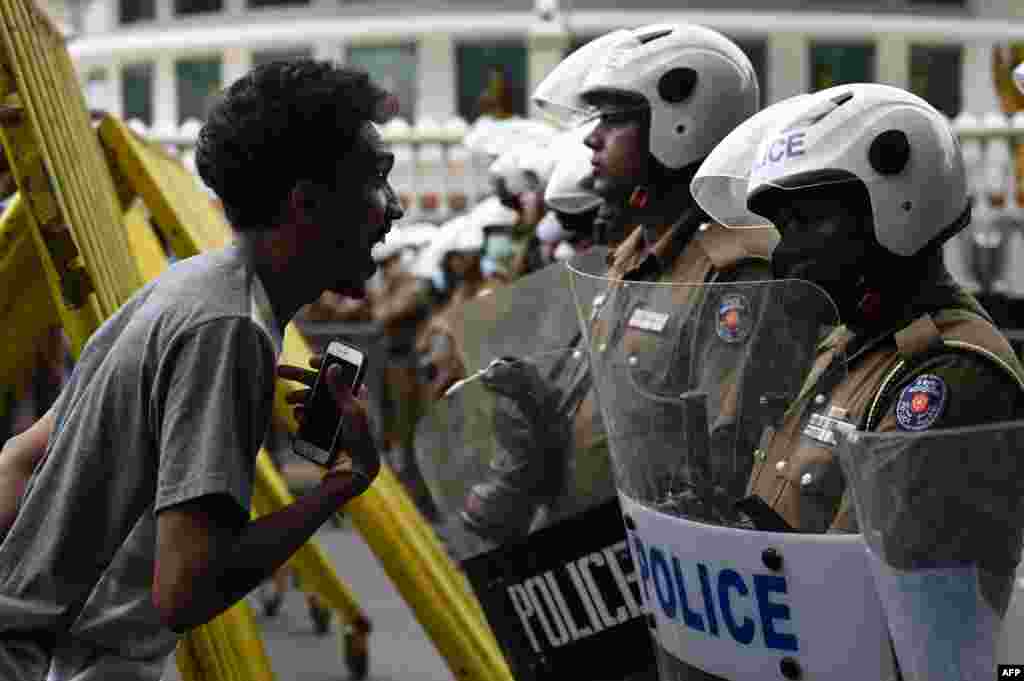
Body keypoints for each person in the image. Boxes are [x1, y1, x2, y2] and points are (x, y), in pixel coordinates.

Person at [0, 59, 398, 679]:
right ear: (307, 203)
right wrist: (343, 483)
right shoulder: (229, 330)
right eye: (378, 181)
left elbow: (22, 458)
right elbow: (184, 591)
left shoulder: (186, 286)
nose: (394, 208)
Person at [701, 83, 1024, 612]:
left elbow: (853, 599)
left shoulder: (948, 372)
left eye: (806, 223)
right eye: (783, 229)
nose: (788, 254)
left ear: (898, 204)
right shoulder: (849, 344)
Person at [460, 23, 772, 542]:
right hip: (589, 550)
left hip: (662, 567)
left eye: (614, 118)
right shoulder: (628, 260)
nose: (592, 136)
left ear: (680, 124)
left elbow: (728, 467)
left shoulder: (731, 276)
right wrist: (538, 411)